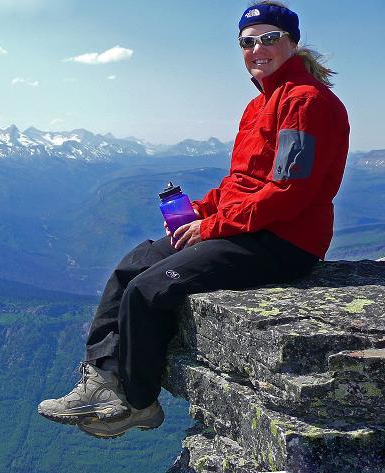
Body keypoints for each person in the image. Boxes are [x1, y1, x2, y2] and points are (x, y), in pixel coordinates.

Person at [38, 0, 349, 438]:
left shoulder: (305, 103)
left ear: (293, 43)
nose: (258, 49)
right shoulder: (258, 106)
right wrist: (201, 211)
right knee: (132, 265)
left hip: (284, 242)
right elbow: (242, 181)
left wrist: (210, 227)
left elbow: (289, 194)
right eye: (247, 42)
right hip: (247, 228)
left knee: (150, 289)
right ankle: (101, 379)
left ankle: (136, 401)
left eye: (269, 38)